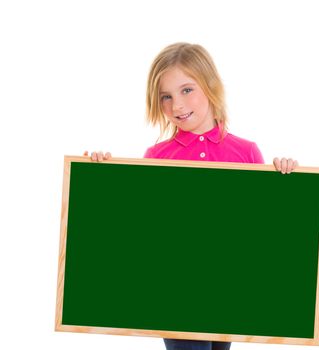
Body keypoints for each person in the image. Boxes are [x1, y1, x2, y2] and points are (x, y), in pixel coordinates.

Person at [85, 42, 298, 350]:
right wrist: (101, 179)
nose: (176, 106)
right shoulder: (157, 157)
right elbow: (136, 229)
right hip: (176, 292)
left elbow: (262, 228)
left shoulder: (246, 152)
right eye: (166, 97)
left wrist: (285, 180)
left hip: (228, 290)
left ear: (210, 86)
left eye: (186, 90)